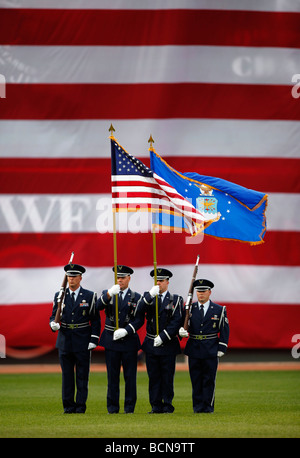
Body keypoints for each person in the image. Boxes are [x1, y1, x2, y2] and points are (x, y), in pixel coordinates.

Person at [49, 263, 100, 413]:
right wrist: (53, 324)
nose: (71, 279)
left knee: (82, 376)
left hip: (82, 339)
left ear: (80, 278)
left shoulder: (90, 296)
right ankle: (68, 406)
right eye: (69, 276)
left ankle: (80, 406)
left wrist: (93, 339)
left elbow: (95, 320)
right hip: (64, 339)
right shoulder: (60, 295)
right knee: (67, 376)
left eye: (74, 276)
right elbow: (54, 315)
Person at [136, 268, 183, 413]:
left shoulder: (176, 299)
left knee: (167, 377)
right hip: (151, 344)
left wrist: (163, 336)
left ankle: (167, 405)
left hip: (167, 344)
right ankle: (155, 405)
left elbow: (176, 321)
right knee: (154, 377)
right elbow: (138, 311)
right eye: (157, 280)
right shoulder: (148, 297)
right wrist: (149, 296)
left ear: (167, 282)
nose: (159, 283)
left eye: (162, 281)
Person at [179, 278, 229, 413]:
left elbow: (224, 329)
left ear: (209, 292)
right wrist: (182, 331)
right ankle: (197, 407)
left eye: (204, 291)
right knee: (196, 380)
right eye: (198, 291)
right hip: (194, 348)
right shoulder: (190, 308)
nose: (201, 294)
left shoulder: (219, 309)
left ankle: (208, 407)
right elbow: (184, 325)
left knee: (209, 380)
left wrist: (222, 347)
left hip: (210, 348)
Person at [97, 265, 141, 414]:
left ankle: (129, 408)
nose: (120, 280)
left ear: (129, 278)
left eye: (123, 277)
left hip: (128, 341)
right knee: (112, 378)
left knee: (130, 378)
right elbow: (96, 307)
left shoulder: (136, 297)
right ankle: (112, 408)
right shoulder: (108, 293)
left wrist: (126, 330)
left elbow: (139, 319)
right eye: (118, 277)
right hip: (111, 340)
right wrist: (109, 294)